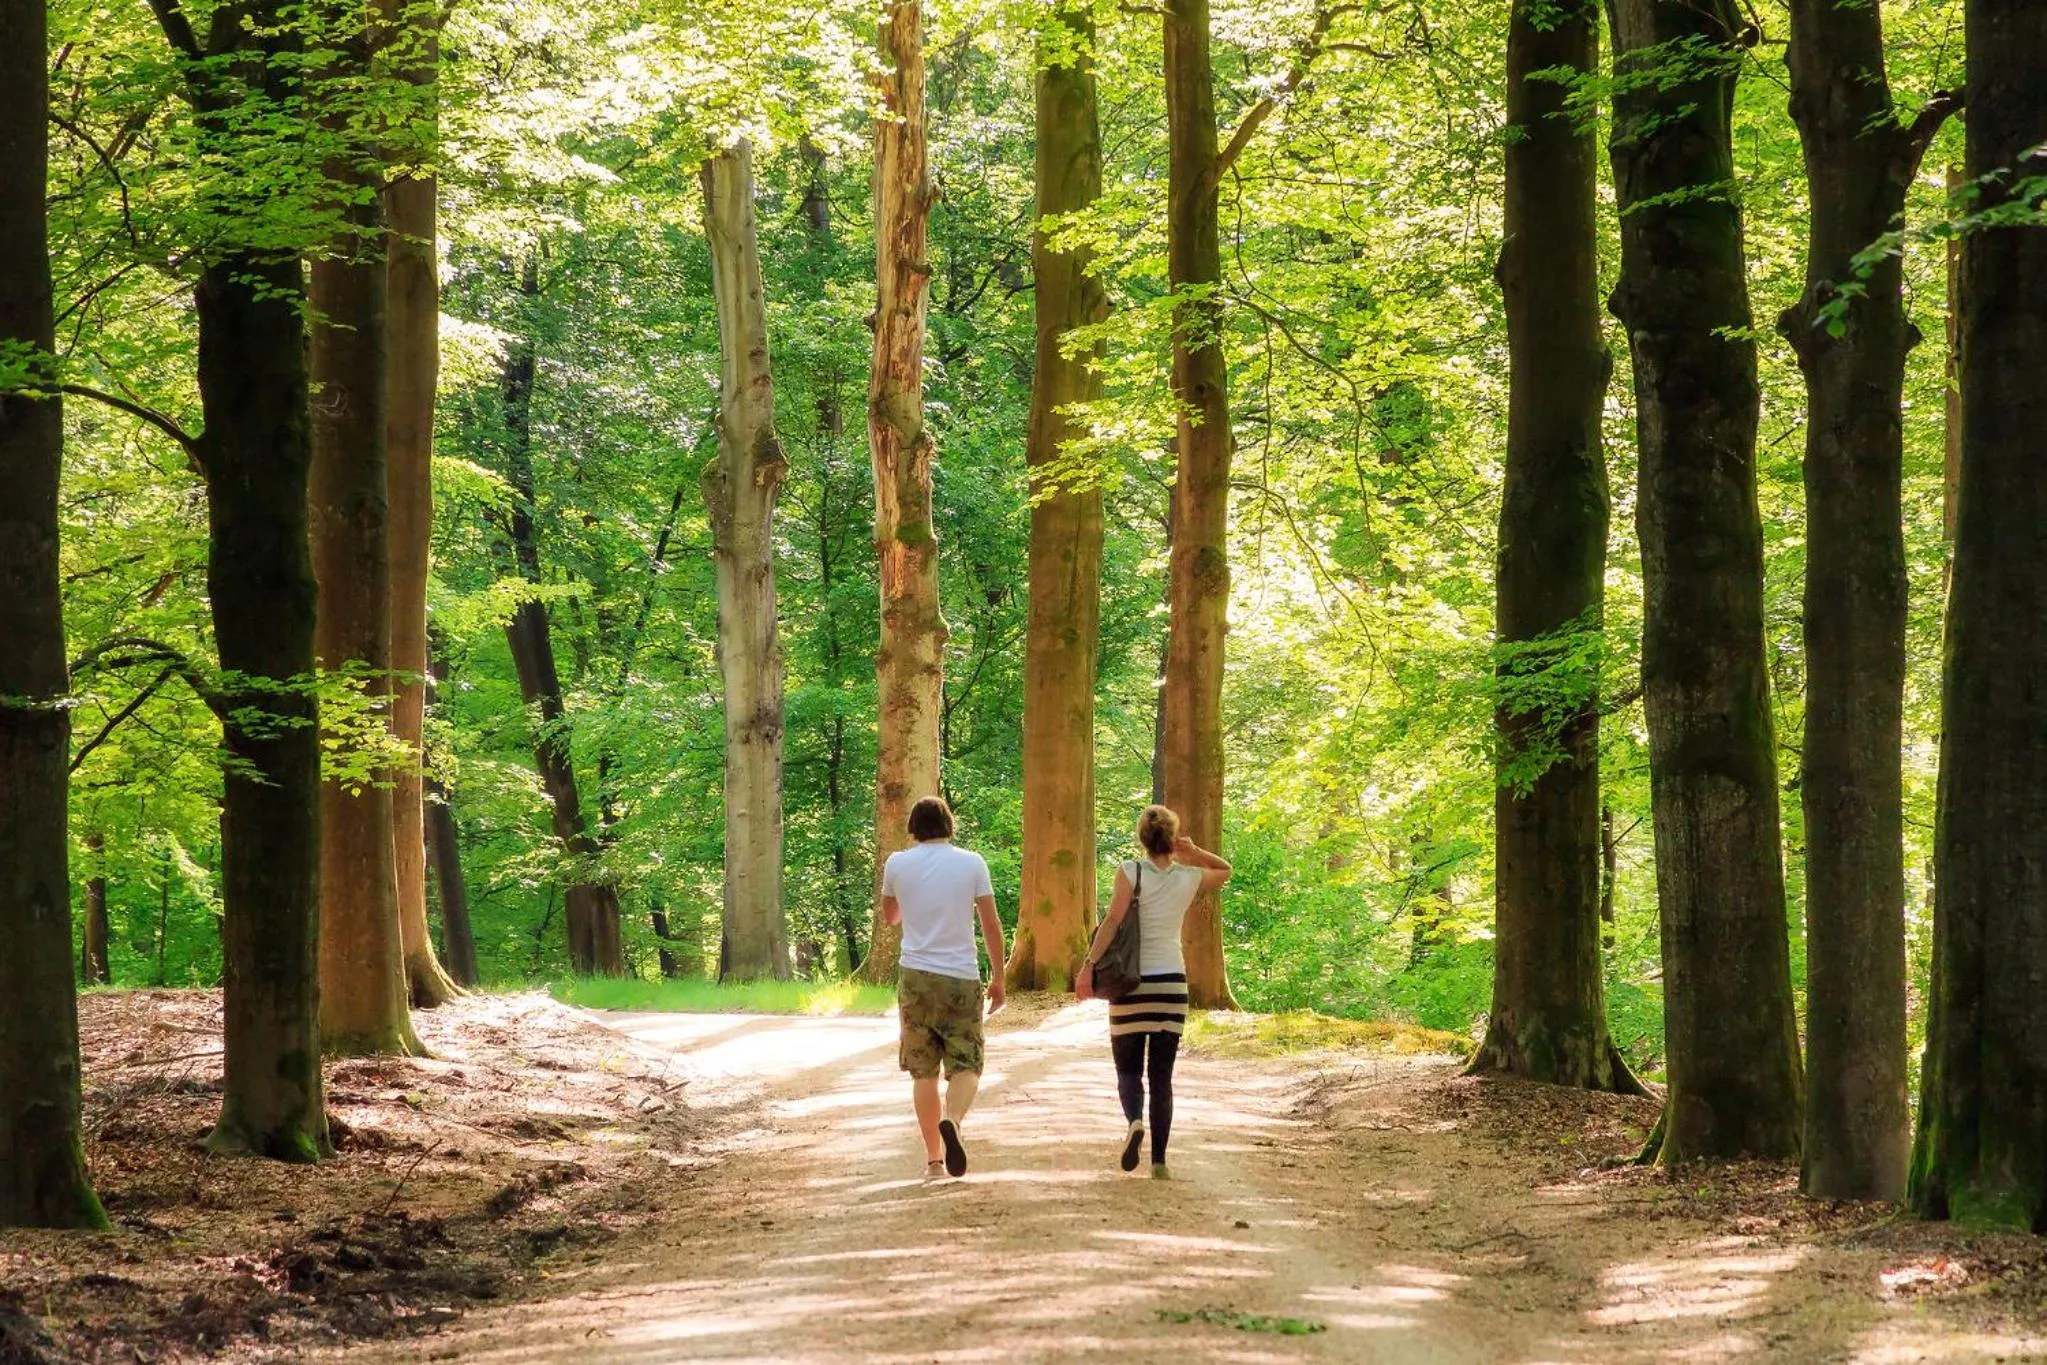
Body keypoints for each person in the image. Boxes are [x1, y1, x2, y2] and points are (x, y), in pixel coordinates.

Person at [1075, 805, 1232, 1180]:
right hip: (1171, 985)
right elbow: (1225, 871)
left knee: (1128, 1070)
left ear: (1142, 839)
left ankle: (1134, 1122)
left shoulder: (1130, 872)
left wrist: (1088, 966)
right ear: (1172, 839)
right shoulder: (1189, 877)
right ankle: (1159, 1162)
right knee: (1162, 1076)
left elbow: (1112, 922)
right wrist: (1193, 853)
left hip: (1132, 983)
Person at [881, 795, 1007, 1179]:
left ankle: (934, 1161)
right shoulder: (972, 863)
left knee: (923, 1073)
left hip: (915, 977)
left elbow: (891, 918)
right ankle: (952, 1119)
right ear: (949, 826)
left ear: (913, 829)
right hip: (960, 976)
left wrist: (914, 901)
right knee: (967, 1062)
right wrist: (999, 977)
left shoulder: (897, 864)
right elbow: (990, 923)